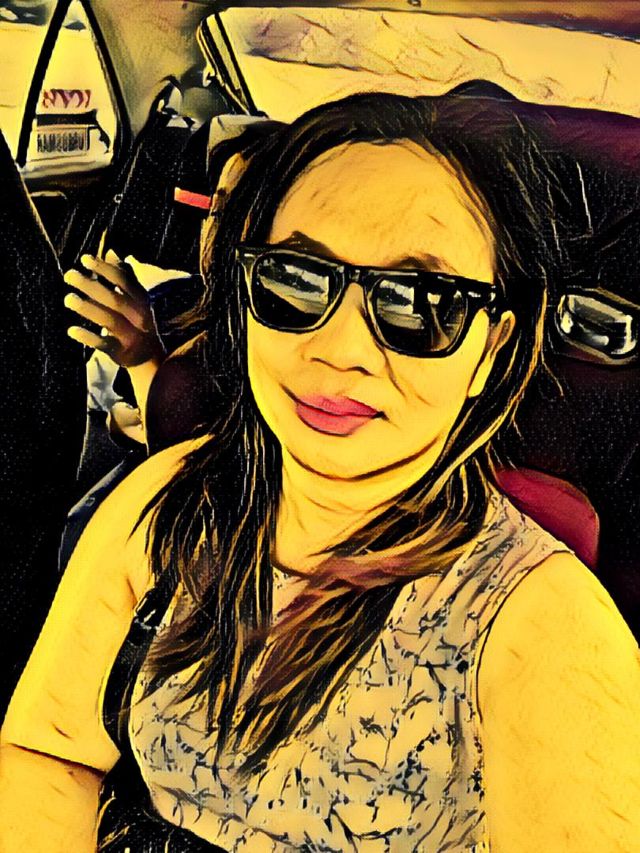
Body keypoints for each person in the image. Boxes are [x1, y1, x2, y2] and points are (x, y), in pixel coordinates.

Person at [2, 92, 639, 852]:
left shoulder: (548, 627)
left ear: (492, 350)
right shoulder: (169, 498)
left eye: (420, 303)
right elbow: (49, 751)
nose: (340, 350)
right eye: (296, 279)